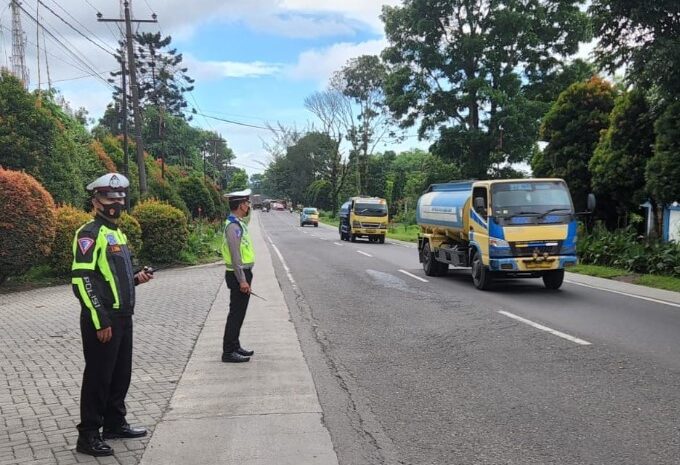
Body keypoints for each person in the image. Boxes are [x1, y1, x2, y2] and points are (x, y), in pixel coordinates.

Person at [71, 173, 154, 457]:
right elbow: (82, 280)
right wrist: (100, 319)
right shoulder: (88, 234)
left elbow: (116, 278)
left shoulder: (118, 234)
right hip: (103, 319)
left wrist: (137, 277)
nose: (116, 203)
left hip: (123, 316)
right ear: (95, 201)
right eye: (109, 197)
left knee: (120, 375)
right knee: (98, 377)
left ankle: (115, 424)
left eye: (120, 197)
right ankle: (89, 435)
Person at [221, 188, 255, 363]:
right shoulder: (233, 226)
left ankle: (235, 345)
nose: (248, 205)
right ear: (241, 205)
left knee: (239, 313)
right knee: (236, 313)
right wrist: (242, 280)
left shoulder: (238, 223)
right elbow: (235, 256)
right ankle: (228, 351)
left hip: (241, 274)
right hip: (237, 275)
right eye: (247, 203)